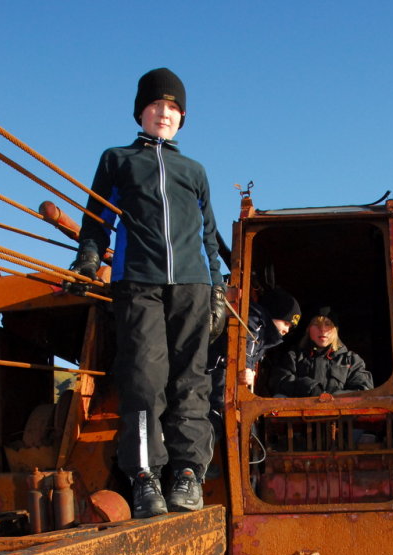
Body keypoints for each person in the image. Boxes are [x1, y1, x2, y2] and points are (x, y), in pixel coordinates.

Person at [67, 67, 226, 517]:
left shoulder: (193, 170)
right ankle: (144, 478)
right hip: (138, 282)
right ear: (140, 111)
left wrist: (216, 288)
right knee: (142, 380)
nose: (165, 112)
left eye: (173, 107)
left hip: (193, 286)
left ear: (182, 117)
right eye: (157, 104)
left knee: (191, 381)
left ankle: (188, 474)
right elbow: (98, 219)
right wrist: (89, 257)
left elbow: (209, 235)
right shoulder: (117, 160)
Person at [207, 286, 301, 417]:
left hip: (220, 376)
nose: (287, 330)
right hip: (216, 373)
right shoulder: (256, 322)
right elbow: (246, 342)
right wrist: (246, 367)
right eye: (286, 323)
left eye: (290, 327)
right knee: (216, 413)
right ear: (273, 313)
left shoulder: (264, 335)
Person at [269, 305, 373, 397]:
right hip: (300, 415)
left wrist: (333, 397)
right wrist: (309, 388)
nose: (322, 329)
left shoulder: (351, 360)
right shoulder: (294, 356)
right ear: (308, 329)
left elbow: (364, 390)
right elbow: (279, 380)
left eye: (327, 324)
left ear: (335, 330)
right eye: (316, 324)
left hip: (340, 416)